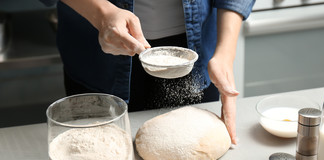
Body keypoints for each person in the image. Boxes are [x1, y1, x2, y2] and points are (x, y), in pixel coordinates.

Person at [40, 0, 255, 145]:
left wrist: (226, 52)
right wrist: (101, 13)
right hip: (100, 52)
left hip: (196, 52)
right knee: (98, 158)